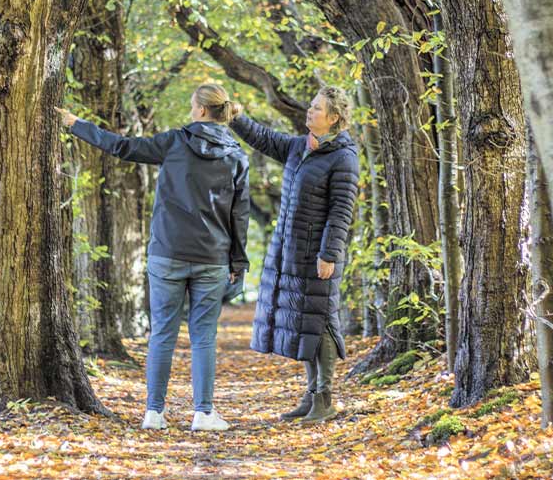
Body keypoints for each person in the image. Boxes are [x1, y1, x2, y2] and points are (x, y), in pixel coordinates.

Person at [57, 84, 249, 431]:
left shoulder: (175, 142)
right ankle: (203, 413)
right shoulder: (236, 155)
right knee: (203, 336)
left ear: (203, 111)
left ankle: (154, 413)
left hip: (168, 253)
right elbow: (240, 215)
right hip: (212, 257)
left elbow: (122, 147)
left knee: (162, 333)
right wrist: (239, 263)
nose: (191, 111)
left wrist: (76, 124)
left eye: (193, 105)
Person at [229, 86, 359, 423]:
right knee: (304, 322)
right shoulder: (300, 147)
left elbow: (340, 212)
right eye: (311, 106)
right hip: (292, 251)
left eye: (317, 108)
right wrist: (237, 117)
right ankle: (310, 395)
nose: (309, 111)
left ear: (334, 118)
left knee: (322, 323)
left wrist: (329, 253)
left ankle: (325, 399)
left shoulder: (343, 157)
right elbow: (265, 138)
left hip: (319, 254)